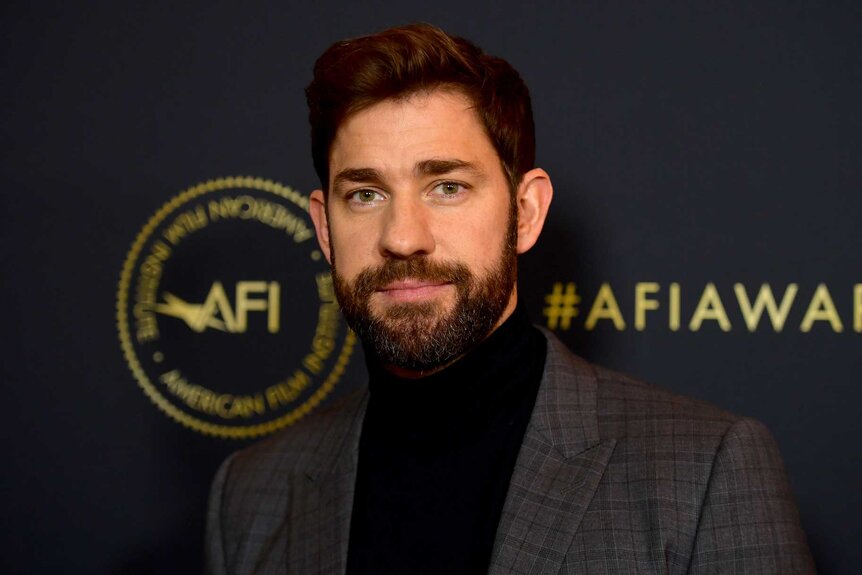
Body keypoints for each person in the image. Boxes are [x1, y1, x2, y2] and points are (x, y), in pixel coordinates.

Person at [205, 23, 814, 574]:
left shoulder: (703, 471)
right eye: (365, 195)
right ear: (324, 227)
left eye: (446, 186)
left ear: (525, 212)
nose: (402, 238)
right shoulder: (251, 493)